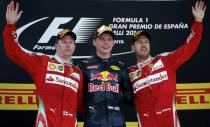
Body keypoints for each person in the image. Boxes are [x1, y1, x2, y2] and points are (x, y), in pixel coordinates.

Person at [3, 1, 84, 127]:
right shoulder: (42, 62)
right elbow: (14, 53)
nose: (68, 44)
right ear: (55, 45)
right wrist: (10, 25)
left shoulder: (78, 73)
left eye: (71, 42)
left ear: (75, 47)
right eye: (63, 41)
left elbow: (81, 105)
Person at [128, 1, 206, 127]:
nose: (143, 45)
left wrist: (198, 21)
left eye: (146, 42)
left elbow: (189, 47)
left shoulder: (165, 60)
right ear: (132, 48)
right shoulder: (128, 72)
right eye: (139, 42)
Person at [78, 25, 133, 127]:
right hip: (92, 122)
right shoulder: (83, 66)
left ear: (113, 43)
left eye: (109, 39)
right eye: (102, 39)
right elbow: (76, 97)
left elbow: (130, 98)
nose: (106, 42)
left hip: (117, 123)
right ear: (94, 42)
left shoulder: (121, 66)